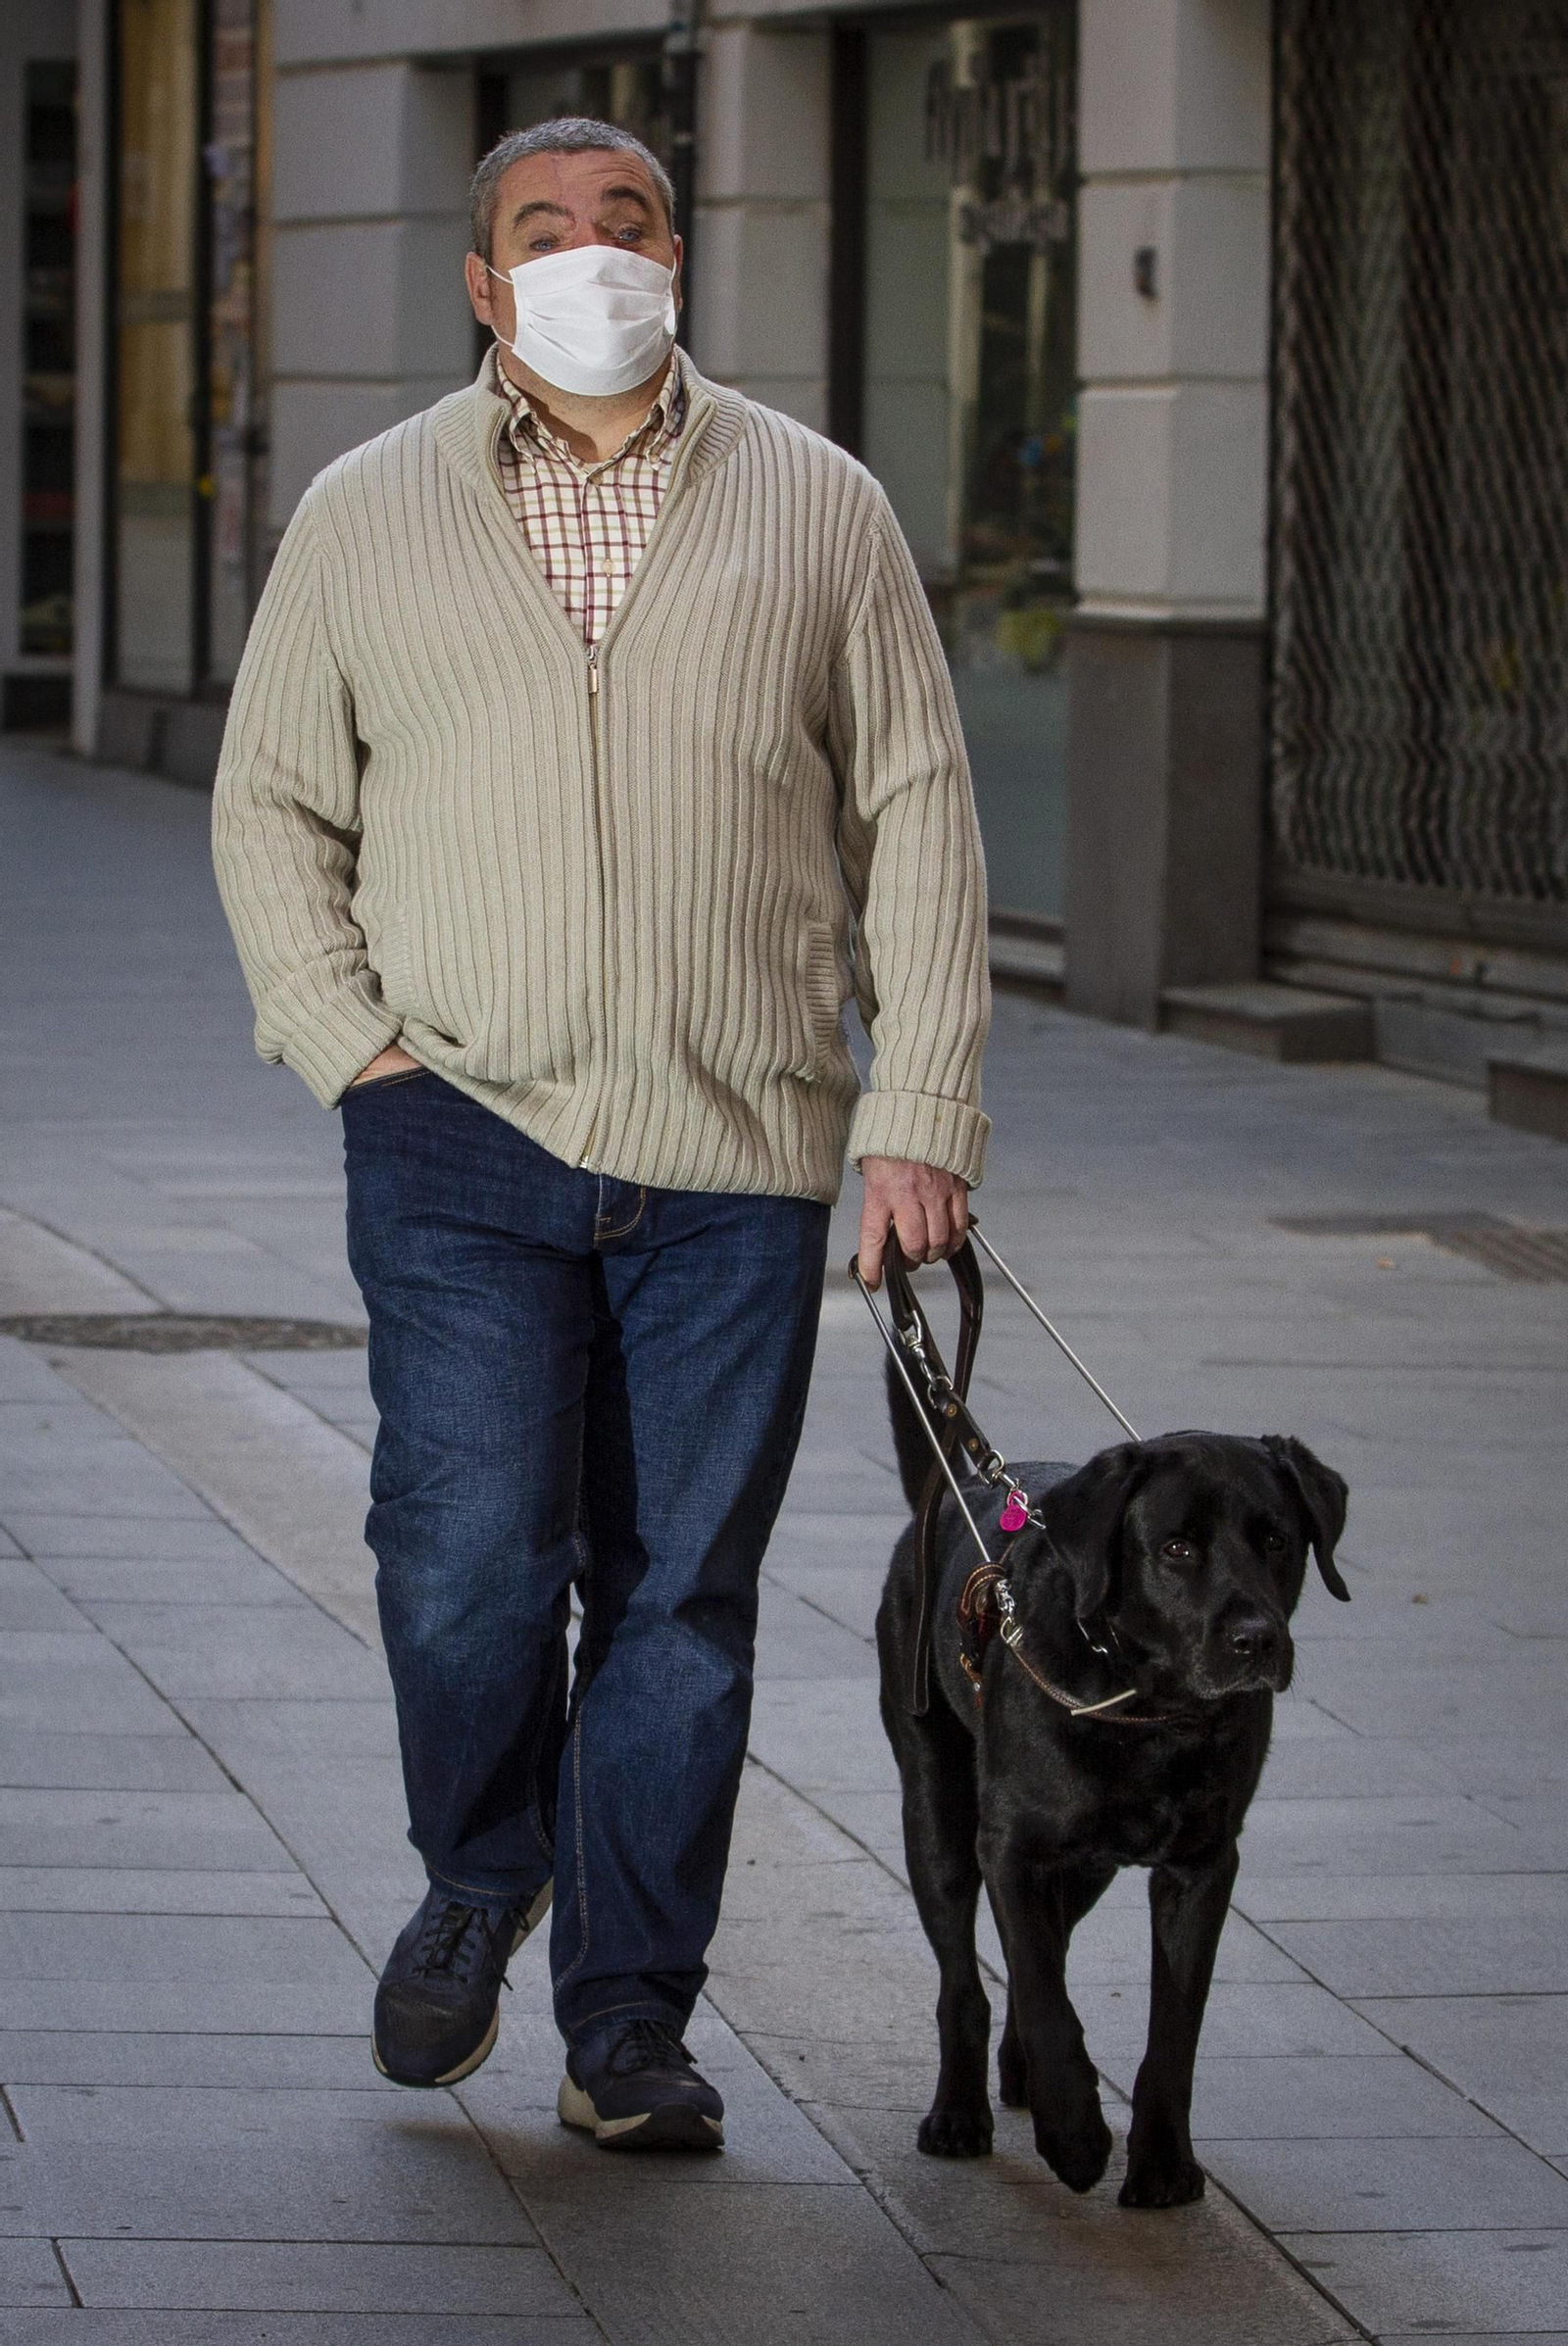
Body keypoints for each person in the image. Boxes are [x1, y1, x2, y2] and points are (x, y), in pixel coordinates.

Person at [212, 117, 990, 2153]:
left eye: (619, 220)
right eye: (538, 232)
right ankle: (483, 1874)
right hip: (453, 1124)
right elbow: (271, 800)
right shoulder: (365, 513)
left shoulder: (817, 505)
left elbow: (914, 808)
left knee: (678, 1597)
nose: (585, 255)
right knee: (465, 1565)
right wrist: (348, 1047)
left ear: (678, 252)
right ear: (480, 285)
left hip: (738, 1149)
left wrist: (917, 1106)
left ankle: (626, 2018)